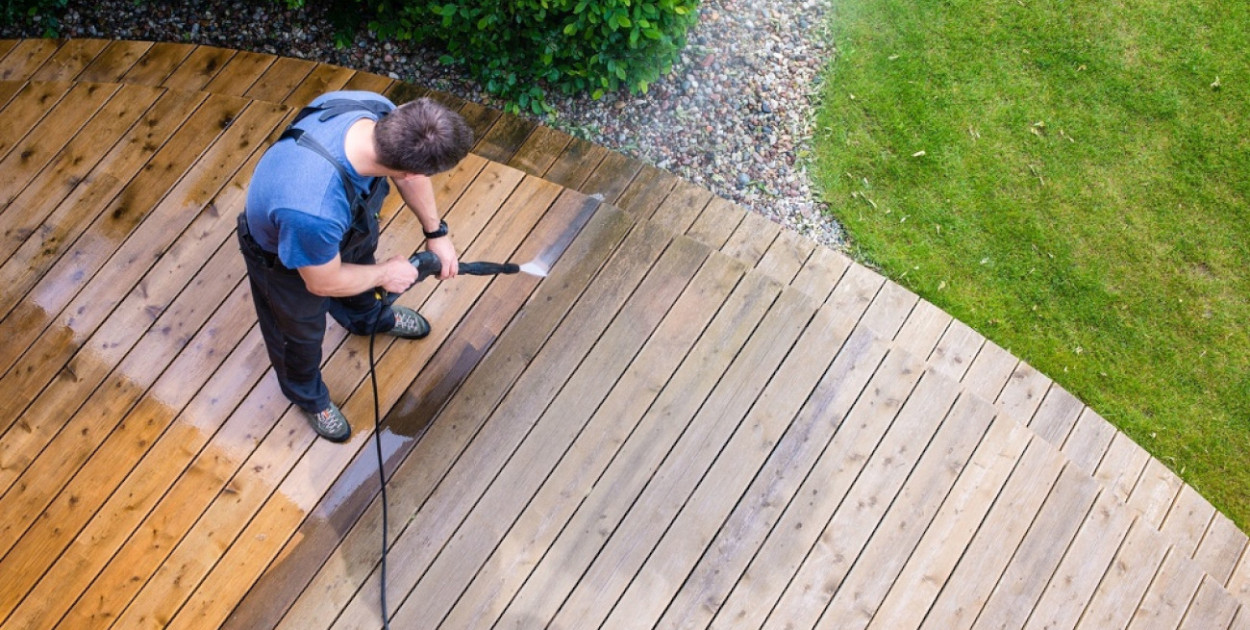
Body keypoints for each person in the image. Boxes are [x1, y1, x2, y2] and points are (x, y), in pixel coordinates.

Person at [237, 91, 473, 442]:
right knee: (298, 336)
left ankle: (368, 320)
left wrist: (435, 232)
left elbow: (409, 177)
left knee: (363, 281)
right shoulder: (313, 208)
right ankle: (308, 396)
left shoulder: (380, 112)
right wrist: (386, 274)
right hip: (287, 260)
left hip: (346, 229)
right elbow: (323, 282)